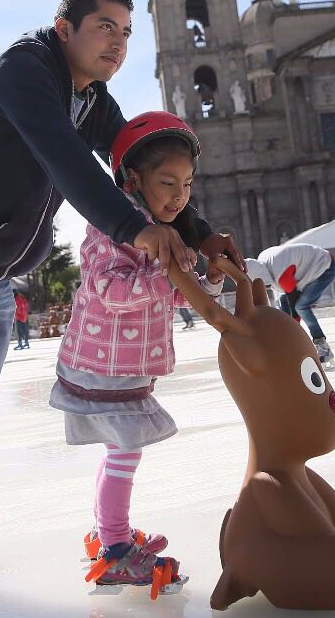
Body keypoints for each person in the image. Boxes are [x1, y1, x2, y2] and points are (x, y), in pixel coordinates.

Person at [0, 0, 243, 608]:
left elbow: (140, 161)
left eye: (127, 32)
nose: (118, 43)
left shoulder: (91, 99)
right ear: (64, 28)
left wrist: (198, 233)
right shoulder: (26, 71)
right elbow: (69, 164)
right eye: (105, 28)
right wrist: (139, 231)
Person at [52, 111, 223, 595]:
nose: (180, 195)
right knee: (126, 452)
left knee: (120, 452)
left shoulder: (160, 228)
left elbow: (163, 295)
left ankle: (112, 532)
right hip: (101, 365)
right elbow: (109, 289)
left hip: (119, 364)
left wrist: (196, 279)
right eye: (167, 181)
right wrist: (166, 273)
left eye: (187, 184)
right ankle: (116, 549)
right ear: (133, 179)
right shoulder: (114, 226)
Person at [246, 243, 335, 368]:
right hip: (305, 271)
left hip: (325, 266)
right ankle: (288, 346)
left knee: (301, 307)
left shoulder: (281, 274)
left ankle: (322, 347)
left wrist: (293, 333)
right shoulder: (262, 264)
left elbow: (294, 308)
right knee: (284, 306)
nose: (266, 288)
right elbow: (285, 305)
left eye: (266, 286)